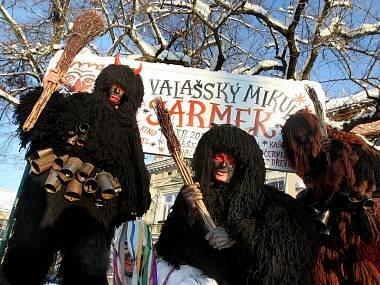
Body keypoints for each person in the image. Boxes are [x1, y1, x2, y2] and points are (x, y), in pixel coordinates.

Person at [0, 58, 151, 285]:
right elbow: (34, 126)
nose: (118, 90)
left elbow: (134, 173)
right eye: (114, 84)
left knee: (86, 271)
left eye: (125, 89)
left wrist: (128, 204)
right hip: (50, 195)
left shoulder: (129, 130)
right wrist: (46, 93)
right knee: (25, 261)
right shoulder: (79, 102)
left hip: (94, 210)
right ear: (105, 83)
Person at [156, 124, 319, 285]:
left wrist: (237, 233)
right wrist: (189, 213)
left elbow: (293, 239)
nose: (223, 165)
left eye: (231, 158)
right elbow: (167, 247)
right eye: (218, 157)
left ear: (242, 162)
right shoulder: (192, 192)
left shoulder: (265, 197)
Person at [282, 110, 380, 285]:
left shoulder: (341, 141)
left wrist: (340, 152)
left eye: (302, 139)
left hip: (356, 228)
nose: (300, 147)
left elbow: (371, 169)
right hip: (325, 232)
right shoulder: (305, 161)